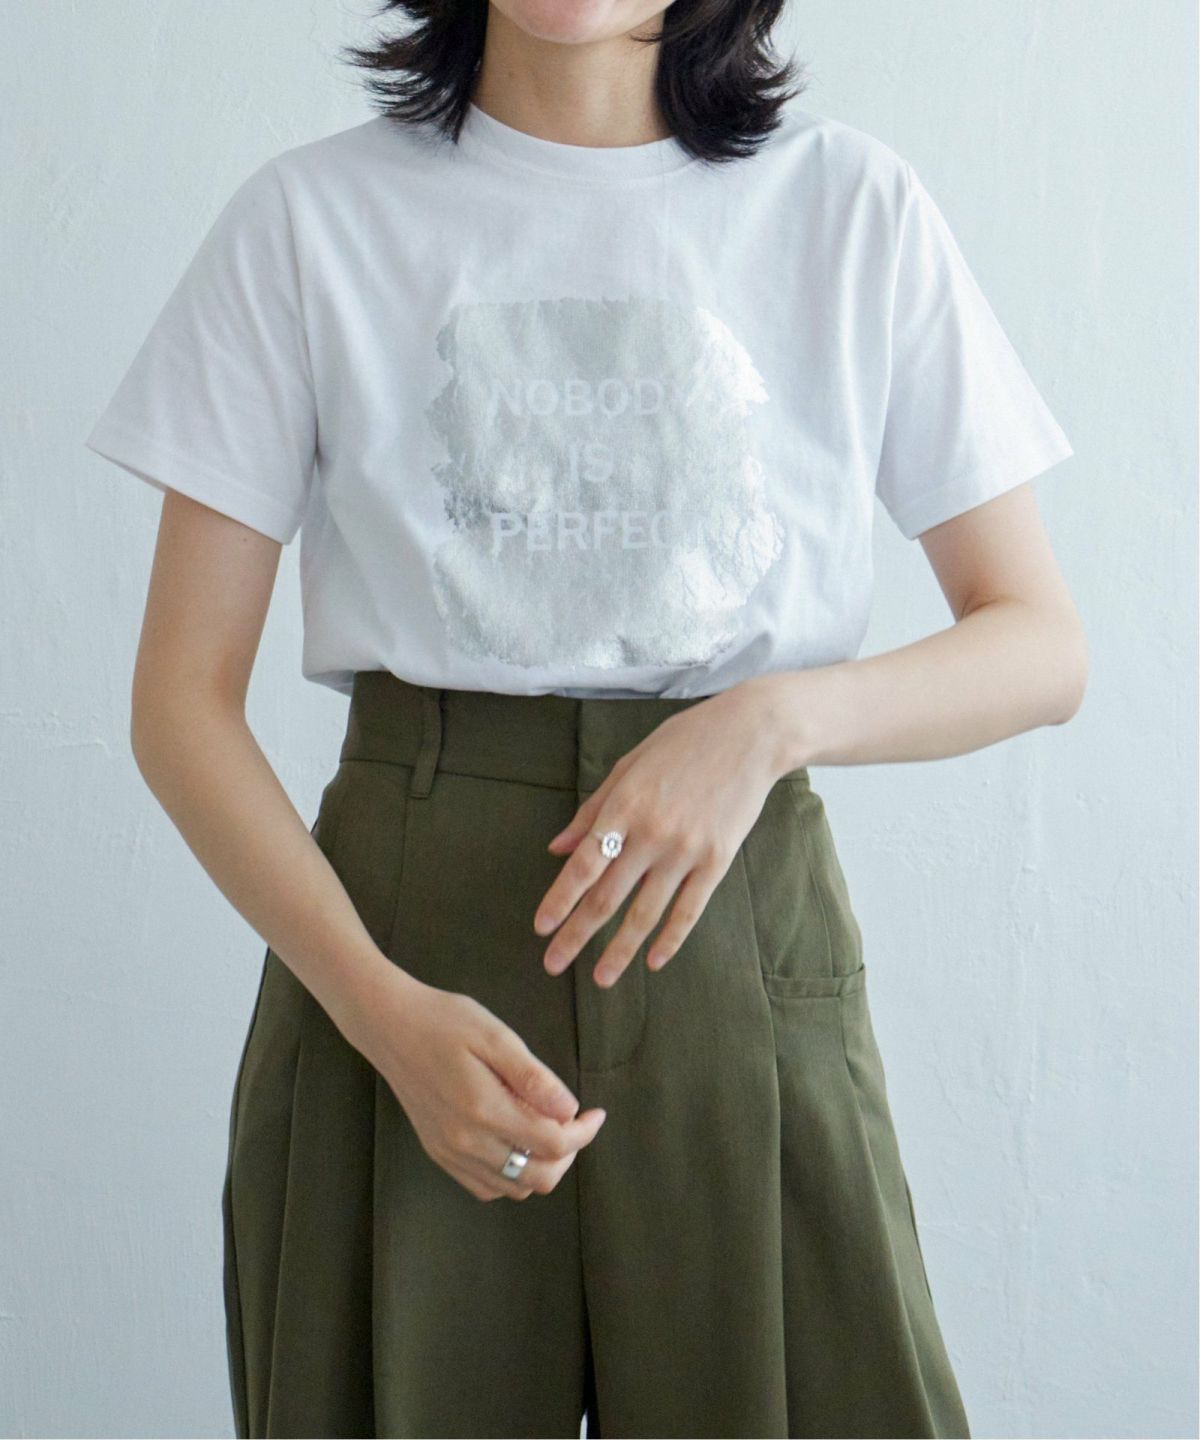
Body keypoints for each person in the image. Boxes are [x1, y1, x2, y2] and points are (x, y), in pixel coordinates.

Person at [82, 1, 1087, 1436]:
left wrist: (767, 725)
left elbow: (1038, 641)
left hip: (737, 942)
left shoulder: (848, 208)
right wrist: (380, 1016)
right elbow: (181, 703)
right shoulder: (309, 222)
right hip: (401, 958)